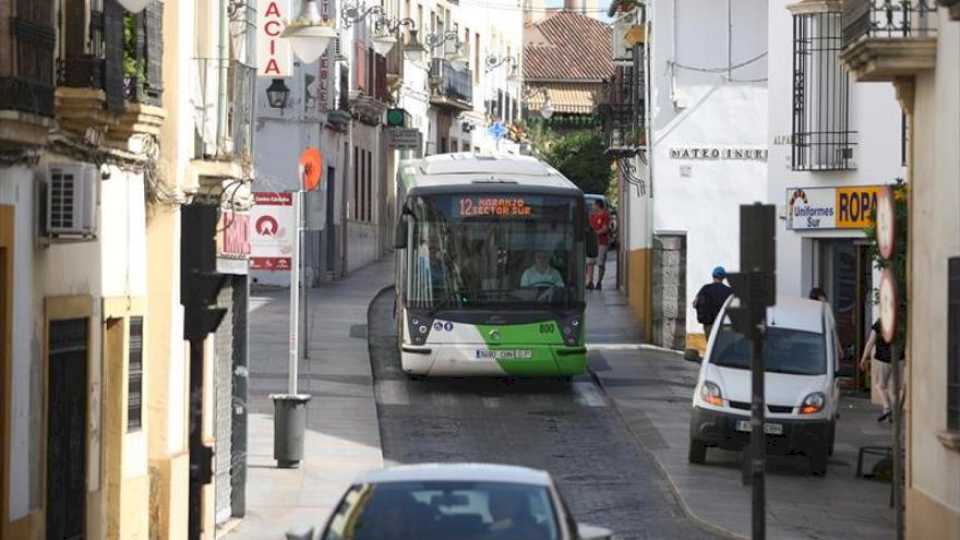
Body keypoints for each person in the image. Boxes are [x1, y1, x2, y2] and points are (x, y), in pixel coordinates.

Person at [859, 320, 905, 422]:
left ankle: (887, 407)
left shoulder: (880, 322)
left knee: (880, 385)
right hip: (899, 358)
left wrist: (864, 358)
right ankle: (894, 412)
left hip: (883, 358)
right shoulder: (901, 321)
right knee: (895, 388)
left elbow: (871, 341)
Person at [693, 266, 733, 339]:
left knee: (710, 346)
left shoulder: (705, 288)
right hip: (723, 325)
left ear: (713, 275)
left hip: (709, 325)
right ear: (724, 277)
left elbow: (695, 304)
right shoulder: (729, 291)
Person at [586, 199, 611, 290]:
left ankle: (599, 282)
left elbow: (605, 229)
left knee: (600, 263)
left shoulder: (605, 215)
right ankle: (590, 282)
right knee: (590, 263)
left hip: (602, 243)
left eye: (594, 205)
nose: (593, 207)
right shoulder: (592, 216)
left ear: (598, 205)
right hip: (592, 243)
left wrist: (595, 233)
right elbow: (589, 227)